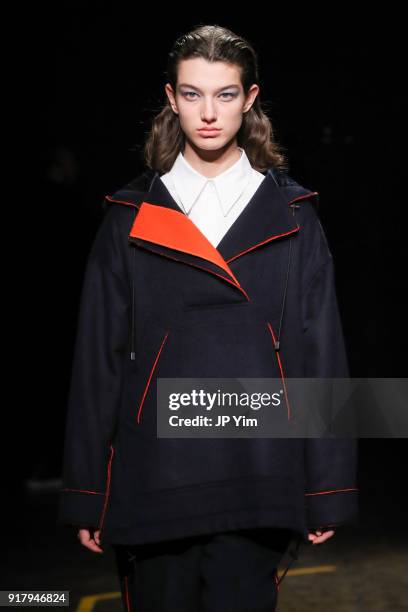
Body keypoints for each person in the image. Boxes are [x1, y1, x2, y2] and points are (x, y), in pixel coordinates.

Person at [57, 24, 358, 611]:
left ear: (249, 99)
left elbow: (321, 351)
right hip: (156, 477)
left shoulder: (295, 216)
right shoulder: (129, 218)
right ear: (171, 99)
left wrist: (328, 486)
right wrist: (86, 490)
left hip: (260, 472)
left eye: (225, 94)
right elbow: (99, 360)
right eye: (193, 94)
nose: (209, 113)